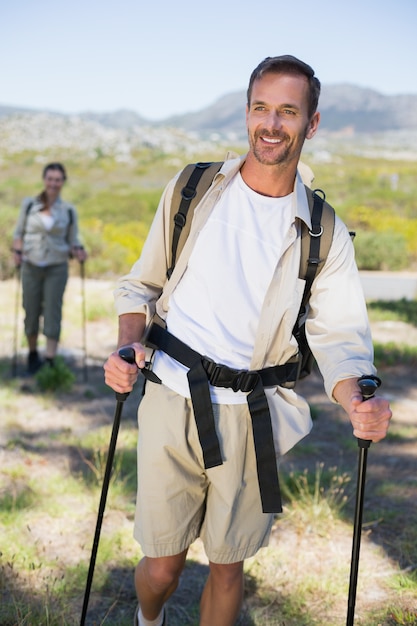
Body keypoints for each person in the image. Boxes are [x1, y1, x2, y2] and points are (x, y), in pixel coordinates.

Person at [103, 55, 392, 626]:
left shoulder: (322, 231)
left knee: (228, 567)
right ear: (246, 114)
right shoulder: (193, 188)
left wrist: (358, 399)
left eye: (288, 111)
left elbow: (340, 338)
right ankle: (149, 619)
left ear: (311, 124)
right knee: (161, 568)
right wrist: (125, 349)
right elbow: (142, 284)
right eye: (261, 107)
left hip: (250, 415)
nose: (271, 123)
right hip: (169, 394)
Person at [12, 162, 87, 374]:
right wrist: (17, 253)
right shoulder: (29, 205)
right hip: (31, 265)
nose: (53, 183)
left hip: (57, 266)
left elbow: (73, 240)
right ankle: (33, 354)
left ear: (63, 182)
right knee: (31, 309)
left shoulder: (69, 211)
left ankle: (50, 359)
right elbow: (19, 234)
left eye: (58, 179)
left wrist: (79, 251)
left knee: (53, 311)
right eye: (50, 179)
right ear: (44, 180)